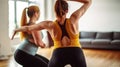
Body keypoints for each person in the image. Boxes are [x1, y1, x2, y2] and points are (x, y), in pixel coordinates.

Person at [11, 0, 92, 67]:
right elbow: (88, 2)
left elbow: (28, 28)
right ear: (67, 10)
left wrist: (15, 30)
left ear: (55, 11)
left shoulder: (50, 24)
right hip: (76, 52)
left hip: (59, 54)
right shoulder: (74, 18)